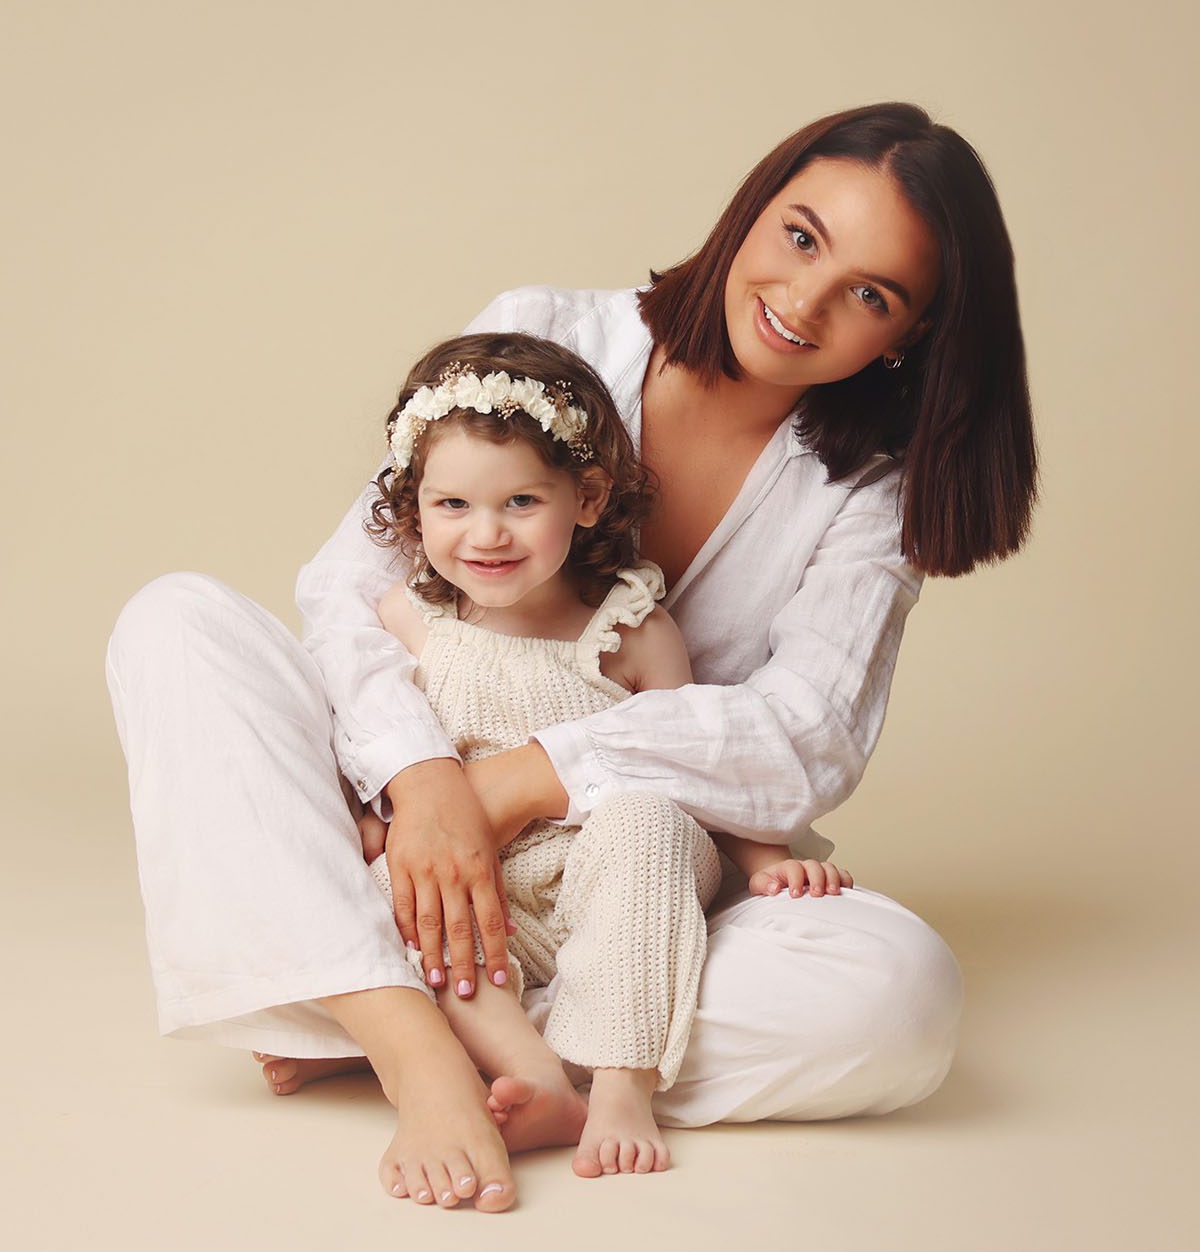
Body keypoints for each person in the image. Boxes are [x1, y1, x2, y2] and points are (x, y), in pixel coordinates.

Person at [106, 102, 1036, 1214]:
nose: (804, 301)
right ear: (753, 210)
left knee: (899, 993)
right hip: (405, 809)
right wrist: (425, 780)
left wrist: (509, 786)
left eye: (870, 294)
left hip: (625, 875)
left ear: (911, 334)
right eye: (800, 237)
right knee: (176, 622)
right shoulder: (552, 335)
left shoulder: (868, 492)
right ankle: (420, 1053)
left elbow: (806, 731)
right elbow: (355, 590)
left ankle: (378, 1001)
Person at [336, 331, 852, 1182]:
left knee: (647, 822)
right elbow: (374, 741)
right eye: (453, 506)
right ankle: (529, 1069)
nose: (486, 535)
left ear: (585, 497)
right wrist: (372, 819)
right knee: (396, 888)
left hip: (607, 868)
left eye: (521, 504)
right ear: (415, 505)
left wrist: (769, 858)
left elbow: (692, 757)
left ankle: (620, 1082)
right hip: (486, 882)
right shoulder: (410, 618)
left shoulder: (629, 628)